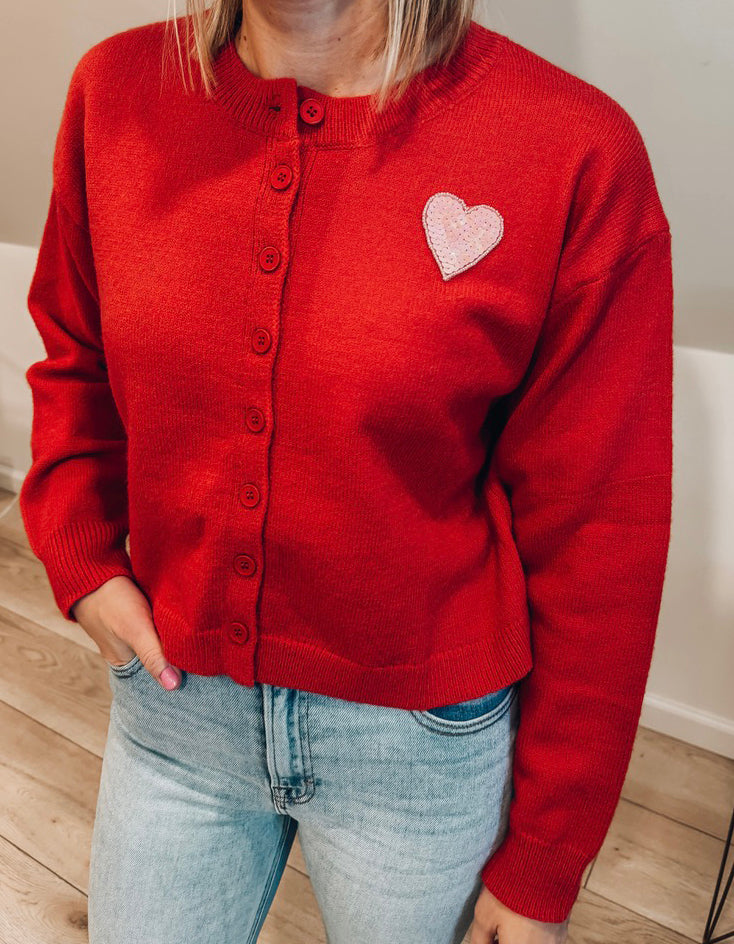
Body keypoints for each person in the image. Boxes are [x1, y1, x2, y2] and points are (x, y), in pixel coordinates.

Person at [19, 1, 674, 942]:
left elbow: (600, 529)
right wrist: (79, 555)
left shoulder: (571, 150)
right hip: (174, 713)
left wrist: (545, 857)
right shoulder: (116, 94)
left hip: (419, 748)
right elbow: (74, 355)